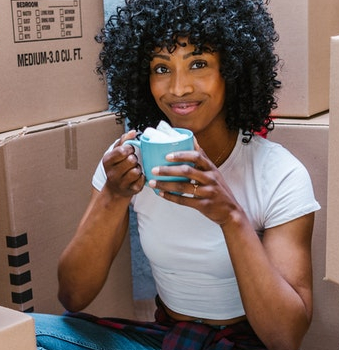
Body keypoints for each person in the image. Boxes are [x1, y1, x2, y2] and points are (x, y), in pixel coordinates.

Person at [30, 0, 321, 349]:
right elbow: (73, 296)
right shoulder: (126, 161)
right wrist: (114, 195)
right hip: (166, 338)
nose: (179, 88)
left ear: (232, 70)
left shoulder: (280, 174)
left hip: (244, 342)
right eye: (161, 68)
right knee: (28, 332)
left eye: (198, 64)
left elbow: (285, 337)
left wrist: (230, 216)